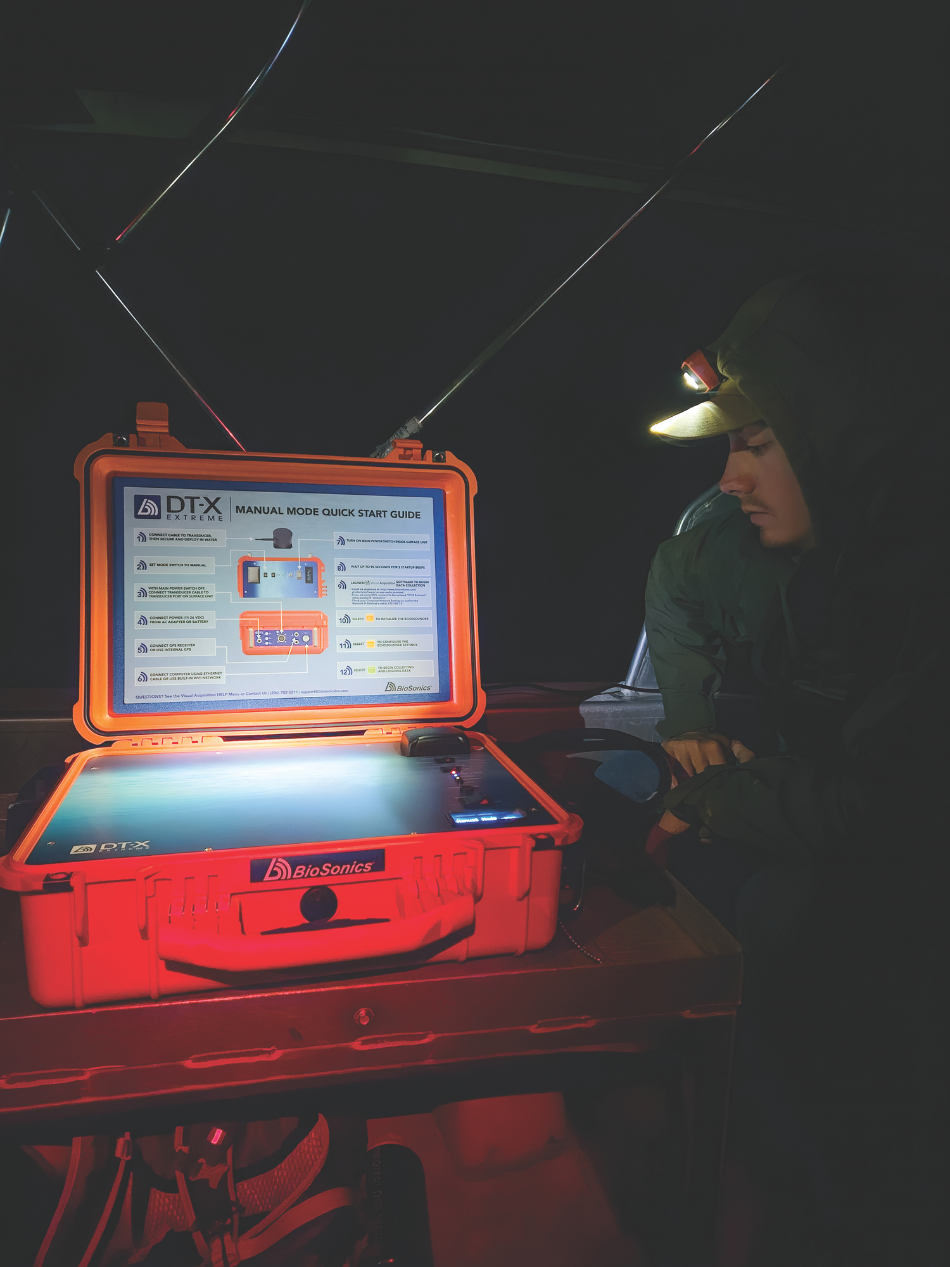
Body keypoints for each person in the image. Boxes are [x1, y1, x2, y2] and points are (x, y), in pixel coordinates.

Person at [640, 271, 947, 1265]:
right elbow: (672, 585)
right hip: (841, 791)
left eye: (758, 444)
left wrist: (706, 798)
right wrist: (686, 725)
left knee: (789, 913)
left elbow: (884, 812)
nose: (729, 479)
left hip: (901, 840)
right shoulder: (737, 551)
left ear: (847, 446)